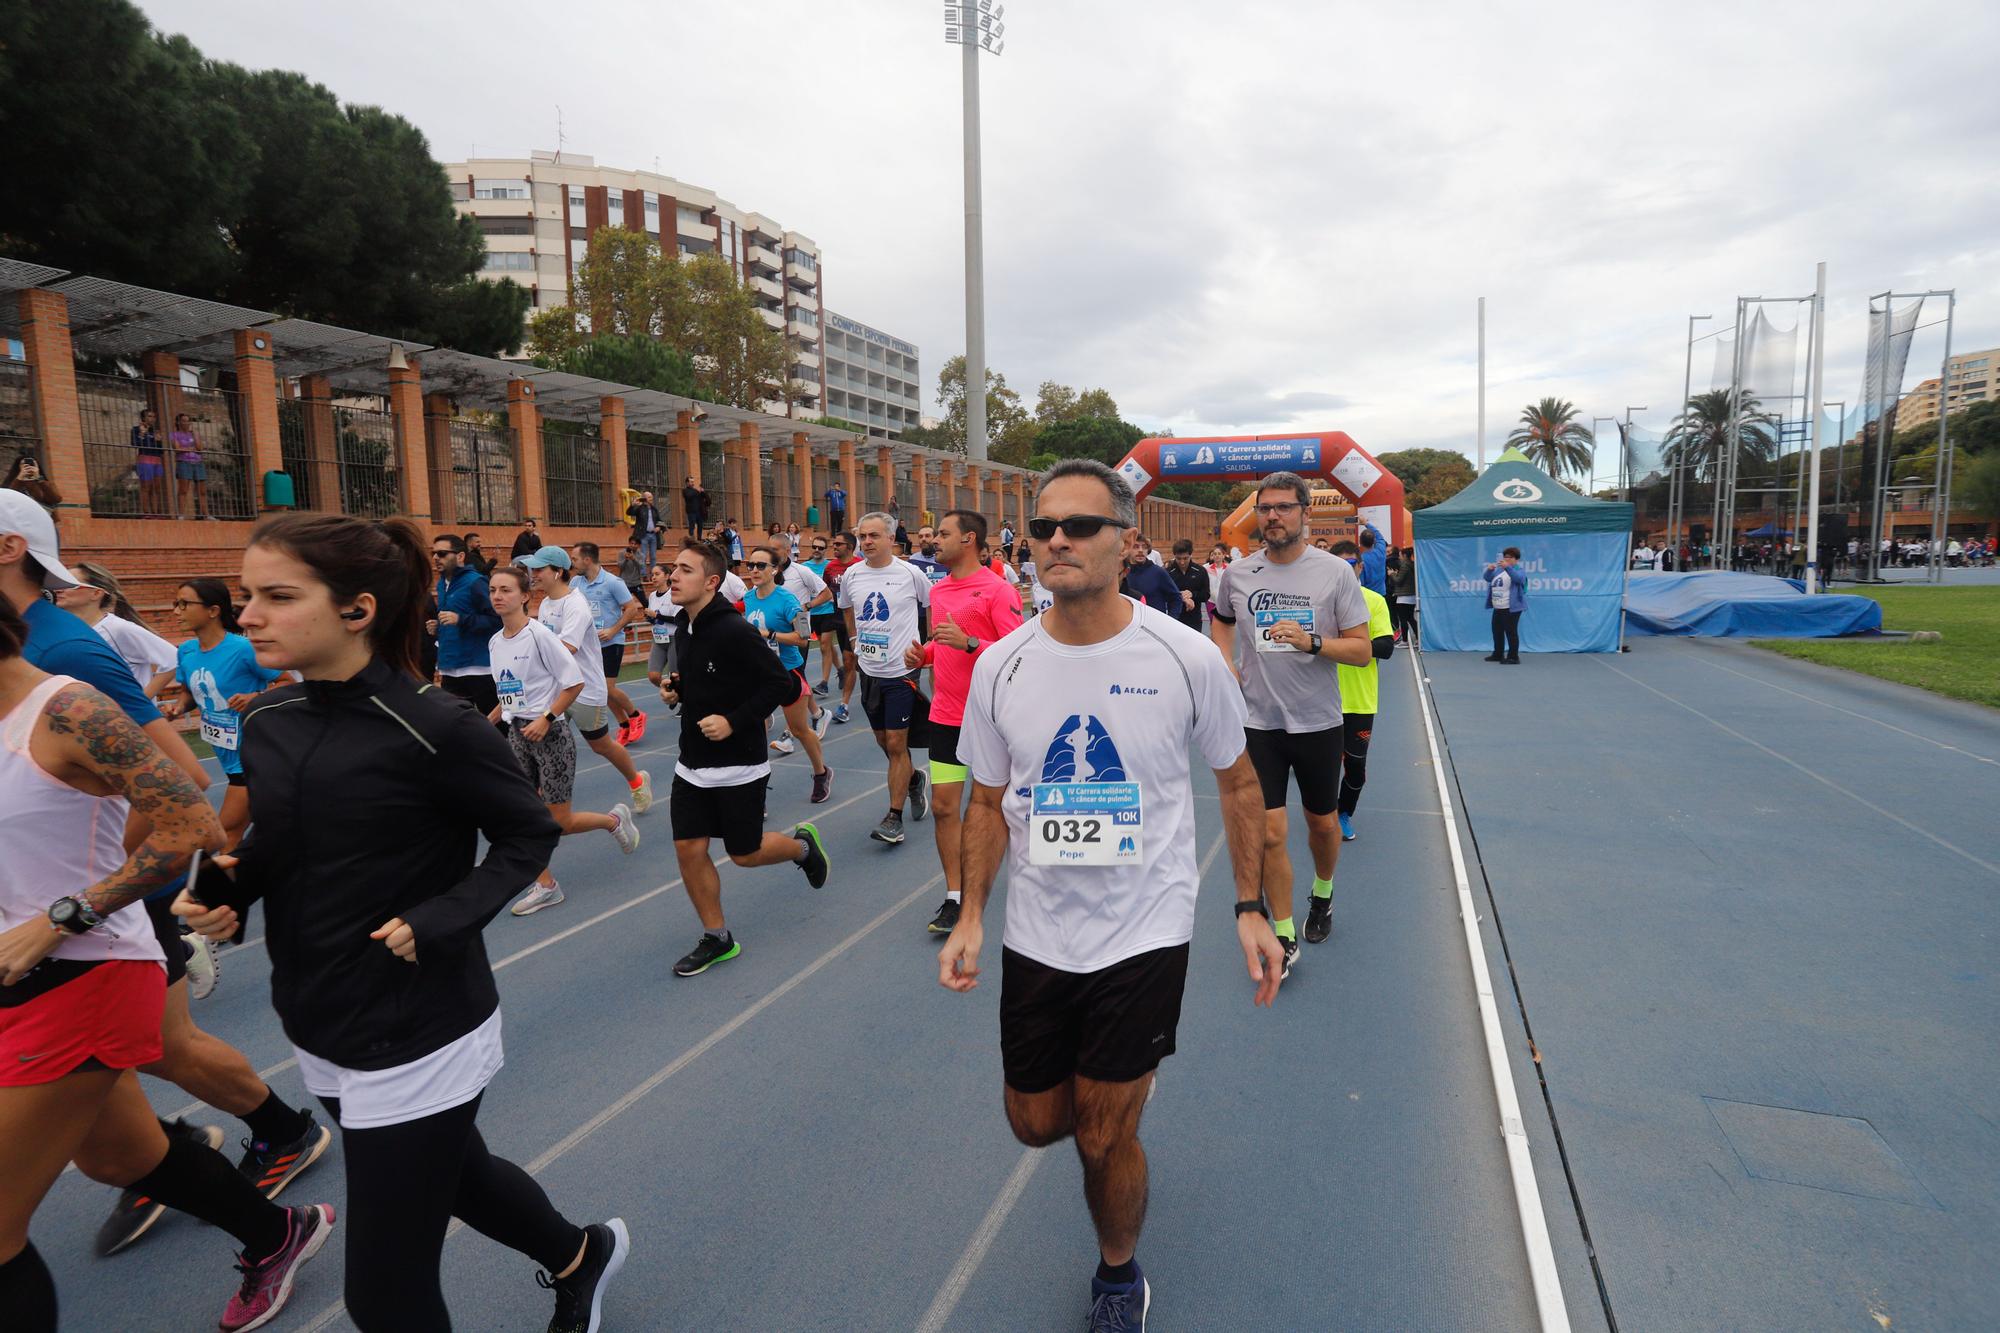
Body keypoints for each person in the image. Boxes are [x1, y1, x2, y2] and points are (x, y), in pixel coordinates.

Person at [175, 512, 628, 1333]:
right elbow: (286, 833)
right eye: (247, 595)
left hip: (419, 1030)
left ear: (357, 611)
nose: (247, 616)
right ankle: (581, 1254)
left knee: (383, 1293)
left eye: (277, 596)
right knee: (459, 1174)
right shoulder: (269, 721)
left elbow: (527, 829)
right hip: (319, 1015)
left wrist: (444, 914)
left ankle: (580, 1254)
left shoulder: (437, 724)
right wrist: (235, 893)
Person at [936, 458, 1280, 1332]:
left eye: (1080, 526)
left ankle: (1118, 1275)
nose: (1056, 539)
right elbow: (985, 801)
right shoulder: (1003, 666)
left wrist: (1249, 906)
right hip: (1039, 932)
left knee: (1099, 1135)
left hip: (1144, 929)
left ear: (1127, 543)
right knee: (1034, 1122)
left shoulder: (1183, 655)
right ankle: (1116, 1093)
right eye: (1044, 526)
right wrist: (973, 912)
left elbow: (1240, 785)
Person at [0, 494, 332, 1259]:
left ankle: (282, 1131)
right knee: (115, 1132)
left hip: (87, 924)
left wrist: (87, 892)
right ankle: (190, 1171)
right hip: (47, 932)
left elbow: (182, 779)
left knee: (163, 1046)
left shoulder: (63, 653)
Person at [1210, 472, 1373, 960]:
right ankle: (1283, 930)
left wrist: (1313, 642)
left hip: (1318, 722)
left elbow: (1363, 650)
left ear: (1305, 513)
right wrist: (1225, 665)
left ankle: (1322, 895)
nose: (1272, 517)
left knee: (1321, 825)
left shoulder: (1335, 573)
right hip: (1258, 723)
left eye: (1283, 508)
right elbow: (1221, 622)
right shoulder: (1238, 574)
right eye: (1265, 509)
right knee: (1271, 831)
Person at [661, 542, 831, 977]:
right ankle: (717, 937)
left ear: (711, 581)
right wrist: (678, 688)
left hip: (739, 762)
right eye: (673, 568)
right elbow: (709, 679)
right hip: (691, 762)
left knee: (745, 853)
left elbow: (780, 684)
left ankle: (801, 846)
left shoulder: (734, 629)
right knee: (688, 848)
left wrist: (735, 722)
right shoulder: (687, 628)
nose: (672, 576)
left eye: (685, 570)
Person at [487, 565, 639, 913]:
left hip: (550, 735)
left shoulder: (540, 636)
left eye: (506, 590)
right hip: (518, 733)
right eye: (494, 589)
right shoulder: (495, 642)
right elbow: (511, 691)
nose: (498, 596)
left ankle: (612, 820)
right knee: (520, 816)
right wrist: (490, 720)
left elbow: (573, 683)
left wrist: (546, 718)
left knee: (557, 823)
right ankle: (546, 885)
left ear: (525, 596)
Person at [903, 509, 1022, 936]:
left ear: (969, 539)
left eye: (944, 534)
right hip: (947, 716)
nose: (935, 540)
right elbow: (942, 647)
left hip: (991, 720)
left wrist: (971, 642)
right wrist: (925, 655)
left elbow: (1017, 654)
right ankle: (956, 896)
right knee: (943, 807)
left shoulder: (998, 590)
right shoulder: (939, 593)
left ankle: (1017, 885)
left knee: (996, 810)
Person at [519, 547, 653, 899]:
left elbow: (566, 650)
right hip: (556, 693)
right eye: (531, 570)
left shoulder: (575, 605)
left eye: (539, 569)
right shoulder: (546, 604)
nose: (533, 575)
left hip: (585, 690)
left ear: (559, 571)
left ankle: (637, 781)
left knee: (601, 744)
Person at [160, 578, 281, 849]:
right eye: (175, 604)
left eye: (184, 604)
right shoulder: (188, 651)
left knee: (224, 834)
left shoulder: (243, 649)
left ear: (213, 611)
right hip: (226, 754)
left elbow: (288, 683)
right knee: (249, 835)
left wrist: (256, 697)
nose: (176, 611)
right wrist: (179, 707)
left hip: (255, 753)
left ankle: (210, 891)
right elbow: (190, 693)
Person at [839, 512, 934, 845]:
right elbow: (847, 608)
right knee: (883, 742)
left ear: (891, 539)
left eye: (873, 536)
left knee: (896, 742)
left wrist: (927, 647)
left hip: (901, 671)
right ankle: (912, 781)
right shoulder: (852, 574)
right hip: (869, 671)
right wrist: (853, 641)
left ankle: (894, 818)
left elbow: (932, 604)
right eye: (863, 536)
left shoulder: (911, 573)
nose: (866, 542)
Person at [742, 544, 834, 801]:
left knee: (799, 729)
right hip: (758, 674)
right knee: (755, 730)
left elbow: (804, 639)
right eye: (751, 565)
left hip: (787, 673)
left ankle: (821, 772)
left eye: (761, 565)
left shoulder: (788, 600)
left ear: (775, 569)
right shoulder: (749, 598)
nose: (754, 570)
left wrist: (769, 634)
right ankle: (755, 788)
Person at [1327, 540, 1395, 842]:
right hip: (1320, 698)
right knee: (1322, 768)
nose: (1345, 569)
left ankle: (1344, 812)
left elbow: (1386, 647)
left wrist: (1347, 644)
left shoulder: (1374, 601)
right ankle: (1324, 815)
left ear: (1360, 566)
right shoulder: (1318, 601)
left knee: (1355, 768)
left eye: (1350, 564)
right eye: (1338, 564)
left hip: (1359, 701)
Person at [57, 562, 177, 696]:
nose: (59, 589)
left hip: (128, 716)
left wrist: (140, 703)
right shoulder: (67, 631)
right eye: (60, 582)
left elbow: (172, 659)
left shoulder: (117, 629)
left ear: (96, 593)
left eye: (70, 584)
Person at [570, 541, 648, 747]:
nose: (573, 563)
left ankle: (635, 715)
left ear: (587, 559)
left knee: (606, 688)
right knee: (600, 690)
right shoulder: (575, 584)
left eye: (575, 559)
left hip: (610, 643)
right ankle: (624, 724)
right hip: (588, 646)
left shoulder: (613, 582)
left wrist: (613, 629)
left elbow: (631, 609)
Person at [429, 533, 501, 717]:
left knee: (497, 729)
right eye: (434, 553)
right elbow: (452, 618)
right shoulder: (442, 584)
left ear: (460, 556)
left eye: (442, 553)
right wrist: (438, 628)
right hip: (450, 668)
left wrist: (460, 619)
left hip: (478, 669)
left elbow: (497, 620)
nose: (436, 558)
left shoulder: (475, 582)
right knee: (456, 727)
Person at [816, 531, 860, 719]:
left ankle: (844, 704)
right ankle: (841, 699)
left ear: (849, 547)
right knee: (836, 652)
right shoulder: (830, 568)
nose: (834, 547)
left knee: (852, 661)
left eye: (838, 545)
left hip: (857, 621)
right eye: (834, 544)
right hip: (836, 618)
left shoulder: (860, 566)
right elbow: (826, 590)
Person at [1484, 547, 1527, 664]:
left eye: (1510, 557)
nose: (1507, 559)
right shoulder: (1499, 570)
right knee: (1497, 631)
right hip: (1498, 606)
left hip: (1511, 608)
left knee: (1511, 632)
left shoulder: (1519, 570)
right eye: (1505, 557)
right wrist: (1489, 570)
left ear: (1516, 559)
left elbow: (1518, 579)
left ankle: (1513, 657)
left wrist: (1507, 567)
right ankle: (1498, 654)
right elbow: (1487, 578)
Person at [1119, 534, 1179, 616]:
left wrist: (1171, 620)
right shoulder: (1121, 573)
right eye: (1136, 547)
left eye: (1144, 547)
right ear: (1128, 549)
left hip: (1154, 624)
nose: (1140, 550)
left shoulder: (1158, 572)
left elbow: (1176, 597)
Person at [1164, 539, 1210, 632]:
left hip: (1194, 619)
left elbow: (1206, 595)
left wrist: (1192, 594)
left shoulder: (1200, 571)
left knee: (1195, 646)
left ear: (1191, 555)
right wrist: (1181, 596)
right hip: (1174, 618)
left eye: (1185, 558)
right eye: (1178, 558)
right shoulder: (1168, 572)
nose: (1182, 562)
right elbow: (1164, 595)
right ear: (1174, 556)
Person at [170, 412, 211, 520]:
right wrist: (190, 449)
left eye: (188, 420)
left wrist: (196, 435)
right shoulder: (174, 434)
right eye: (184, 420)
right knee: (183, 490)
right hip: (184, 462)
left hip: (198, 462)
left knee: (202, 491)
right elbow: (177, 448)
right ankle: (181, 515)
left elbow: (200, 448)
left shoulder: (193, 434)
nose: (187, 423)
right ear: (178, 422)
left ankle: (206, 515)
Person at [132, 407, 168, 516]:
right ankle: (146, 513)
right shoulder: (136, 429)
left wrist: (158, 441)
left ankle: (155, 513)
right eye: (149, 416)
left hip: (157, 461)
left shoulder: (155, 431)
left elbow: (161, 450)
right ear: (143, 417)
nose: (152, 419)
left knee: (156, 488)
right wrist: (142, 434)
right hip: (145, 460)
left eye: (154, 417)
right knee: (146, 487)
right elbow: (135, 443)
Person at [1389, 546, 1419, 647]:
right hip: (1411, 595)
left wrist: (1392, 574)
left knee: (1403, 619)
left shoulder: (1404, 566)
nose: (1399, 557)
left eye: (1400, 555)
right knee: (1410, 618)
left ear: (1405, 555)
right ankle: (1418, 639)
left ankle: (1405, 641)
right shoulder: (1412, 565)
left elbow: (1398, 580)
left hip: (1403, 596)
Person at [627, 490, 663, 569]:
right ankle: (643, 574)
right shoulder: (640, 508)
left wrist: (659, 527)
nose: (651, 499)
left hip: (653, 535)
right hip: (643, 535)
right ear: (645, 498)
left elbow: (660, 521)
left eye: (651, 497)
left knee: (653, 556)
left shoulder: (654, 509)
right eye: (649, 497)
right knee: (643, 555)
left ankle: (653, 573)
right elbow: (629, 513)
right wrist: (632, 505)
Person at [1356, 521, 1388, 595]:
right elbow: (1379, 536)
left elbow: (1361, 582)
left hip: (1368, 595)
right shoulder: (1381, 551)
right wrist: (1365, 523)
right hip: (1381, 594)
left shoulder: (1360, 560)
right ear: (1374, 541)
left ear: (1360, 542)